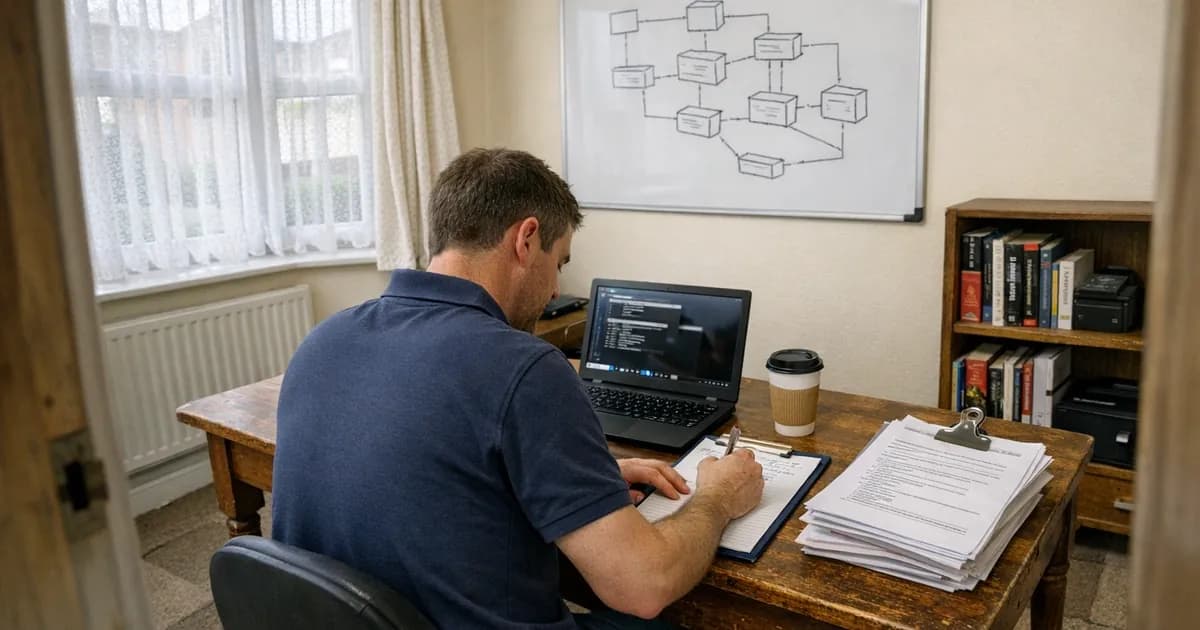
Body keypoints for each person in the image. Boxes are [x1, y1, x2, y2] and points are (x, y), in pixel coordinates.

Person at [271, 148, 764, 629]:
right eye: (561, 261)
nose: (554, 290)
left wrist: (580, 477)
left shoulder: (323, 338)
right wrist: (718, 497)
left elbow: (422, 466)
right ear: (527, 238)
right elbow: (643, 585)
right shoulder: (526, 368)